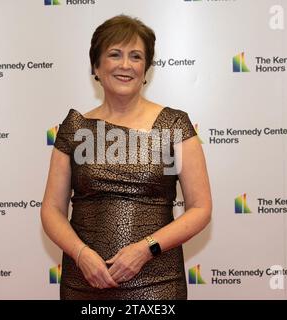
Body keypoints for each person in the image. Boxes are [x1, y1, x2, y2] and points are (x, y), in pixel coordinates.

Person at [41, 14, 212, 300]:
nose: (125, 65)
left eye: (135, 56)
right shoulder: (75, 128)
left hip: (158, 282)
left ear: (146, 69)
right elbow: (51, 210)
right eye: (114, 54)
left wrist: (146, 249)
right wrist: (82, 255)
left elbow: (200, 208)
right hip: (84, 280)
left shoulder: (174, 126)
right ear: (96, 66)